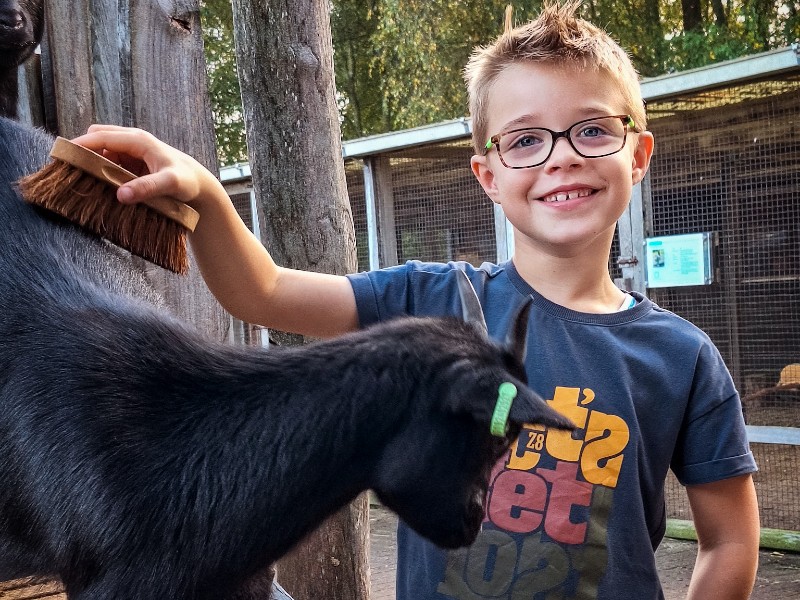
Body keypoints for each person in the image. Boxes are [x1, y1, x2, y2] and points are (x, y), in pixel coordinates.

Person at [74, 2, 760, 598]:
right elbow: (264, 292)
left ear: (637, 155)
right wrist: (205, 193)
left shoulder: (683, 357)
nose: (561, 157)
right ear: (488, 175)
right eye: (525, 139)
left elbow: (728, 542)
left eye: (592, 130)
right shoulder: (423, 304)